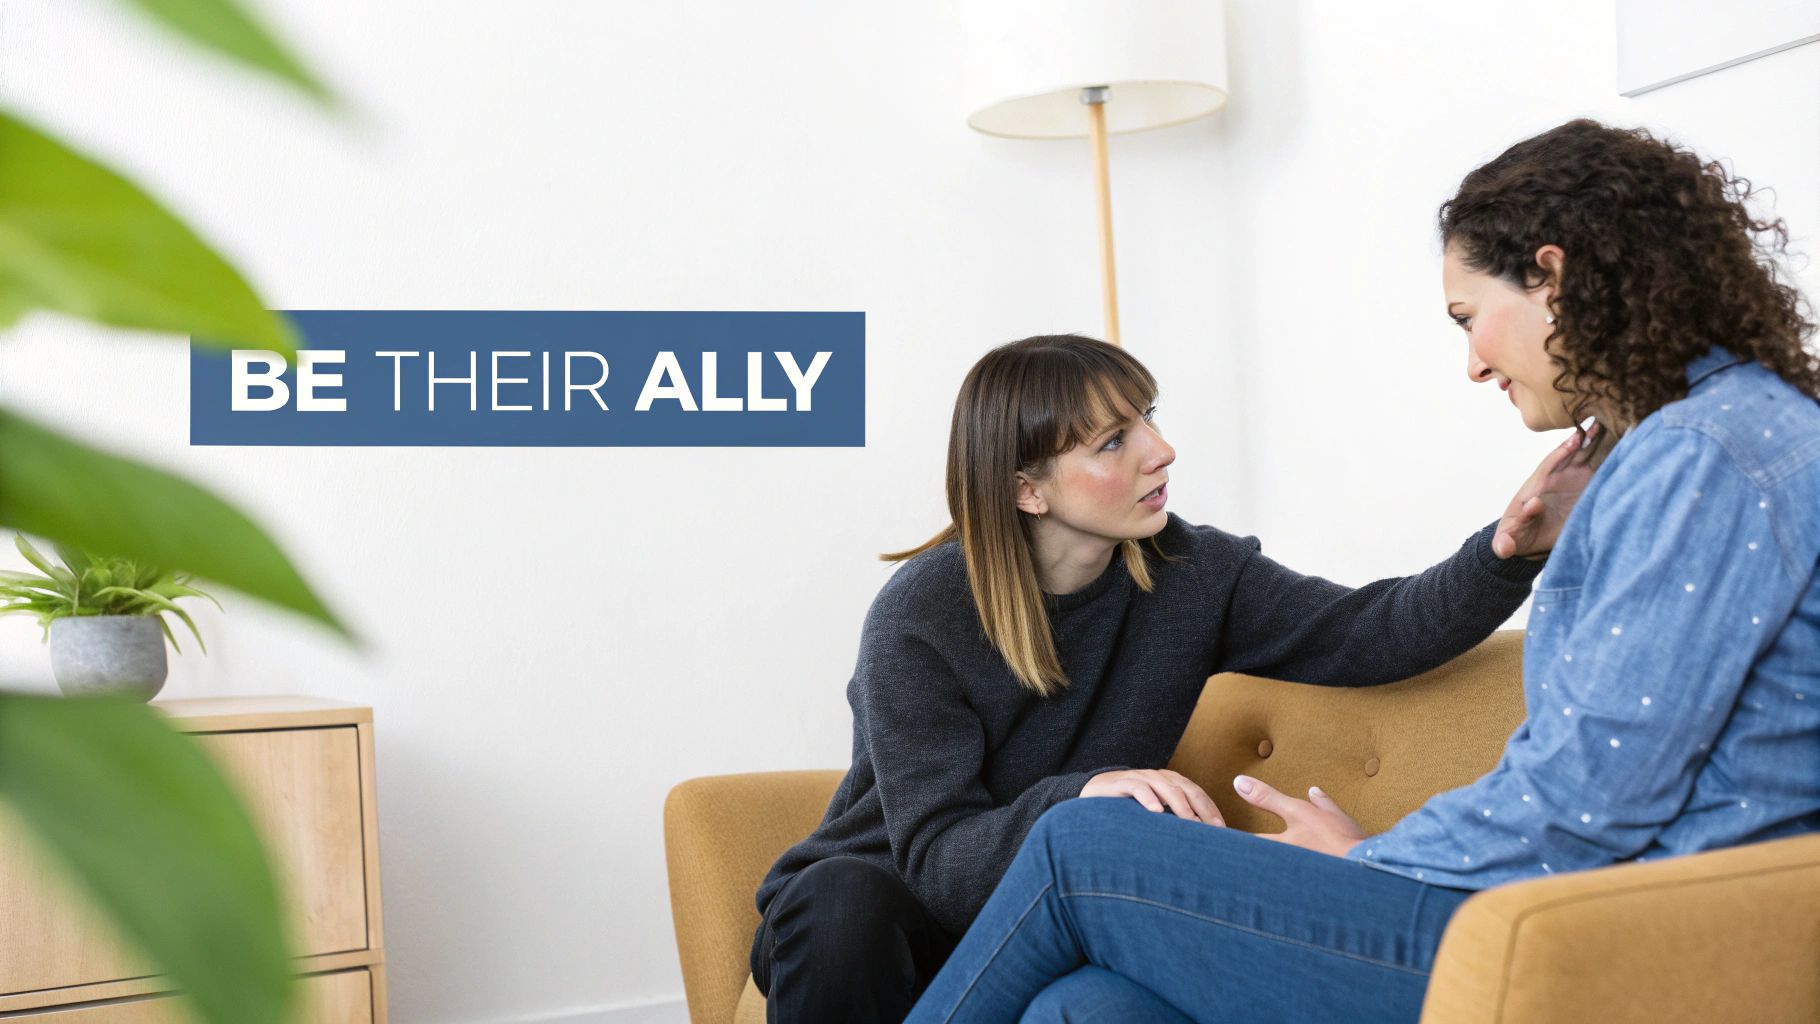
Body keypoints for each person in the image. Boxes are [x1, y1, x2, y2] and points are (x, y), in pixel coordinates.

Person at [903, 118, 1820, 1024]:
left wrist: (1371, 861)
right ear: (1026, 490)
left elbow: (1584, 798)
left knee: (1079, 845)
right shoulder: (1708, 443)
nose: (1472, 364)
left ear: (1554, 279)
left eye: (1469, 319)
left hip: (1614, 942)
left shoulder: (1702, 458)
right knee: (1090, 1006)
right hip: (1587, 911)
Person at [750, 326, 1592, 1021]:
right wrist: (1080, 797)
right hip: (881, 911)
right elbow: (934, 857)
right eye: (1115, 440)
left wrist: (1508, 549)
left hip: (1045, 910)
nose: (1162, 451)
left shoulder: (1190, 572)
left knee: (1098, 1005)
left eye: (1147, 417)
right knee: (846, 910)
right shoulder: (921, 617)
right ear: (1027, 490)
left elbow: (1372, 633)